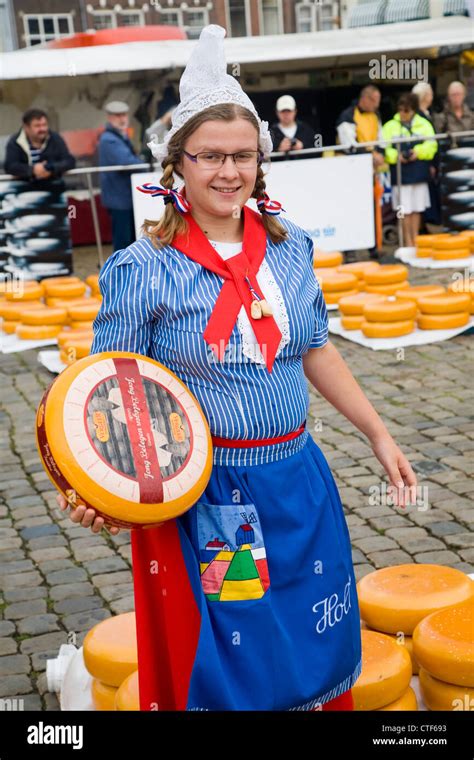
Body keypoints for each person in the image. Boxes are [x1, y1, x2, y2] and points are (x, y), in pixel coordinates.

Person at [56, 25, 417, 712]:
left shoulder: (290, 250)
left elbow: (314, 347)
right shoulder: (144, 270)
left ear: (261, 160)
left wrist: (377, 433)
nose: (228, 172)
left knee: (314, 637)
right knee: (235, 660)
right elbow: (108, 386)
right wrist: (96, 483)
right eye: (210, 156)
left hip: (298, 480)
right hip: (210, 497)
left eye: (242, 156)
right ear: (177, 165)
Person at [335, 85, 386, 261]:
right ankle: (349, 250)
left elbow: (381, 139)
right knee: (350, 208)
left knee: (371, 208)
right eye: (375, 101)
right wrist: (372, 154)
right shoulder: (347, 116)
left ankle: (374, 247)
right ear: (366, 99)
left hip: (370, 170)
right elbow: (349, 145)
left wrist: (379, 153)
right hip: (350, 171)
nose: (377, 105)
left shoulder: (375, 116)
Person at [382, 93, 437, 248]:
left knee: (417, 208)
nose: (403, 114)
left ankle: (416, 239)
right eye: (401, 110)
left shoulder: (424, 124)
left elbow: (432, 146)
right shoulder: (390, 126)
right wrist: (396, 156)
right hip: (401, 175)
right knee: (404, 210)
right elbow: (383, 148)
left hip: (419, 172)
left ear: (413, 110)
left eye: (407, 111)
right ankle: (407, 242)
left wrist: (417, 152)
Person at [98, 101, 144, 251]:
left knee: (129, 239)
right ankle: (121, 272)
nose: (122, 119)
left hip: (124, 197)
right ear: (109, 118)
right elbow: (127, 162)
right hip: (120, 199)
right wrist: (144, 164)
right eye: (118, 116)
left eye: (124, 115)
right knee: (123, 242)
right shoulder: (109, 139)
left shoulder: (118, 136)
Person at [4, 108, 75, 189]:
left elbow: (69, 161)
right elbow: (10, 166)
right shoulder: (15, 141)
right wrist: (33, 170)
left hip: (53, 187)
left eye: (44, 125)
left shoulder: (55, 138)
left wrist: (50, 168)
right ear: (26, 127)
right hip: (23, 189)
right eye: (37, 126)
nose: (43, 129)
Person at [412, 82, 441, 229]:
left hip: (428, 160)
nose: (432, 97)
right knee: (422, 199)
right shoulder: (418, 117)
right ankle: (425, 227)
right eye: (430, 94)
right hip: (423, 163)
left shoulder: (426, 114)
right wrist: (430, 163)